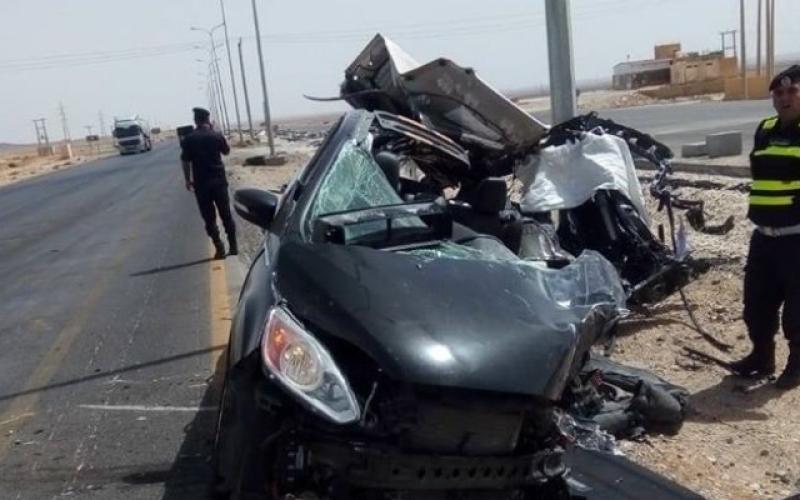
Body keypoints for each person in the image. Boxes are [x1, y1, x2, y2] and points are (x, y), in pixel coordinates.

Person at [730, 65, 800, 390]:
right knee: (756, 303)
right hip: (764, 237)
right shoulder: (765, 129)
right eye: (779, 93)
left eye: (792, 91)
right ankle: (761, 357)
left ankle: (796, 366)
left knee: (797, 310)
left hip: (796, 238)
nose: (784, 98)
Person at [180, 107, 237, 259]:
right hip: (219, 182)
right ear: (207, 120)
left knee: (209, 218)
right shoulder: (216, 135)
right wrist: (216, 132)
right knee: (226, 215)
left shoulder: (189, 139)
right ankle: (233, 247)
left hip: (201, 184)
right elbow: (226, 152)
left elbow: (185, 161)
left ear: (195, 121)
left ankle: (219, 248)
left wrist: (187, 179)